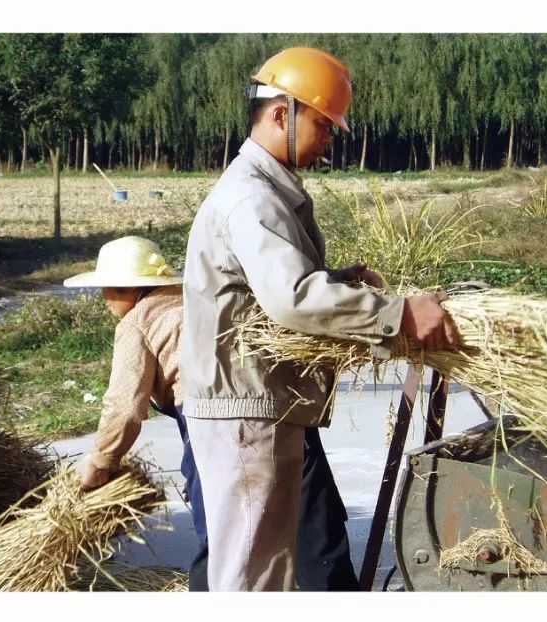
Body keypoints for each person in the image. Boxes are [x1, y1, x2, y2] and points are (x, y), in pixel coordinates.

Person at [181, 47, 461, 591]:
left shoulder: (265, 191)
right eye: (324, 124)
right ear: (281, 114)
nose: (330, 138)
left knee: (265, 570)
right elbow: (292, 298)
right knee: (253, 579)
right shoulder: (253, 199)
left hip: (256, 405)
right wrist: (400, 314)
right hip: (246, 412)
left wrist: (343, 280)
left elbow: (269, 287)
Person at [66, 235, 361, 591]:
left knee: (226, 546)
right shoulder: (204, 295)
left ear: (128, 287)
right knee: (317, 537)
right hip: (287, 413)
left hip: (222, 430)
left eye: (106, 290)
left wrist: (102, 460)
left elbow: (124, 406)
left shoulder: (139, 322)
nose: (104, 300)